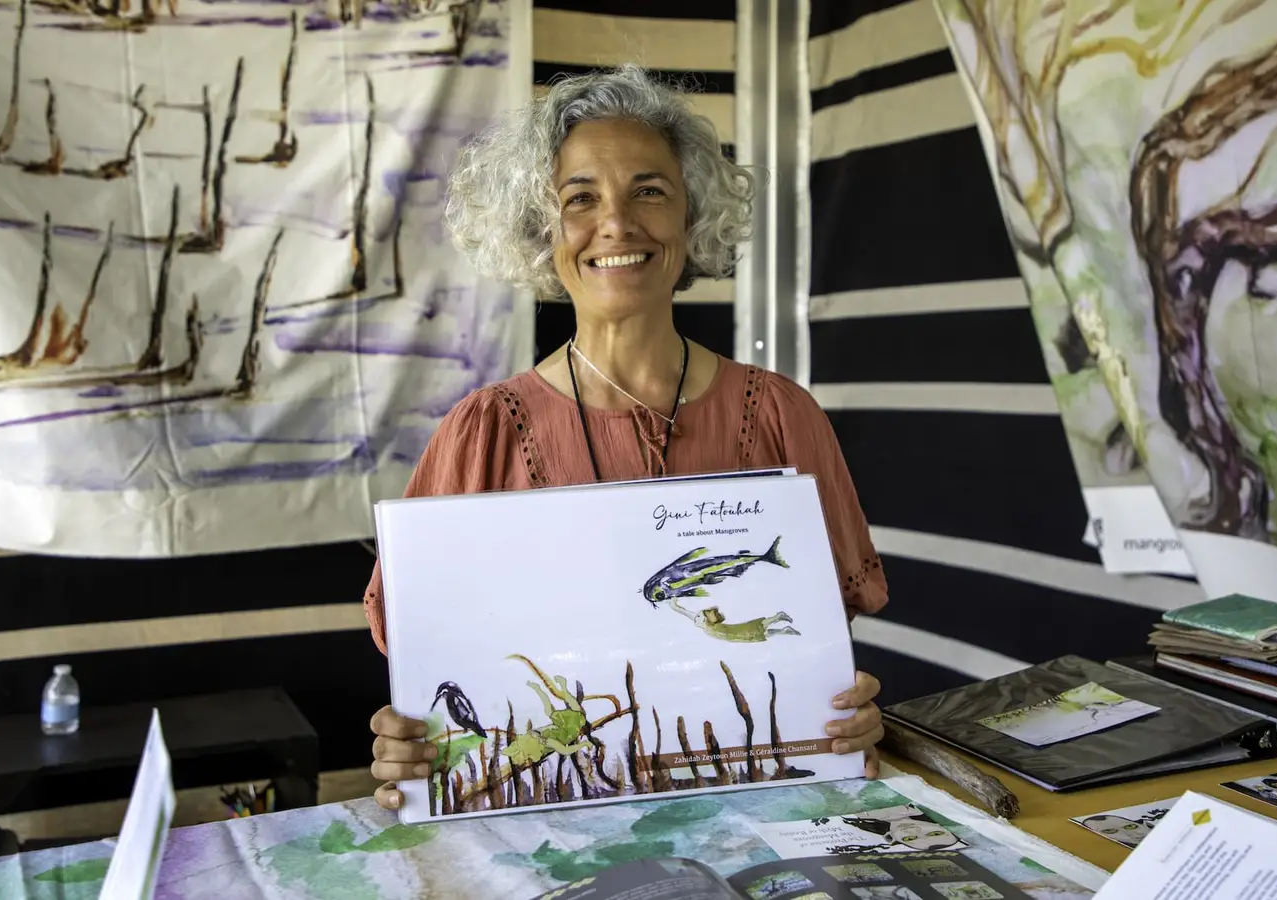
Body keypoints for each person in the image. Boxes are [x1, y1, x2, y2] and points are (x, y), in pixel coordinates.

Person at [362, 64, 890, 811]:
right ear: (541, 231)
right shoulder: (481, 434)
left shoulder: (780, 416)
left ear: (691, 214)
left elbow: (818, 640)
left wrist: (847, 710)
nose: (616, 224)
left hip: (760, 819)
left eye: (649, 191)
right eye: (580, 198)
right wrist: (411, 745)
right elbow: (432, 671)